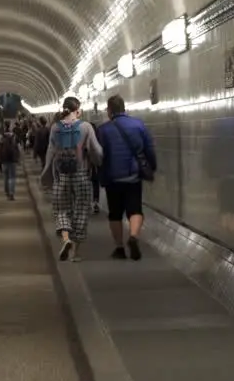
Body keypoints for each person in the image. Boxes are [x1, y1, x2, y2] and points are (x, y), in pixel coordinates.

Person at [95, 94, 157, 260]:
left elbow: (98, 155)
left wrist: (98, 173)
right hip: (133, 175)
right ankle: (134, 236)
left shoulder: (103, 130)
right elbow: (148, 149)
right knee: (135, 209)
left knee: (115, 213)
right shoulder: (138, 125)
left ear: (109, 111)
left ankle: (120, 248)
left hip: (112, 177)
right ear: (124, 108)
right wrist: (151, 167)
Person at [40, 98, 103, 261]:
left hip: (61, 176)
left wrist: (46, 174)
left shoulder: (55, 128)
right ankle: (76, 253)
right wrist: (98, 162)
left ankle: (66, 239)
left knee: (61, 210)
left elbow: (50, 151)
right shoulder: (86, 127)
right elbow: (95, 151)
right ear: (78, 110)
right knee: (81, 211)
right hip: (81, 175)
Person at [0, 123, 20, 200]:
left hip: (4, 159)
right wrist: (18, 158)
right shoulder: (14, 136)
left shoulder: (1, 137)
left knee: (6, 177)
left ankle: (7, 192)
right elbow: (17, 147)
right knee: (12, 177)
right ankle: (11, 193)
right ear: (10, 127)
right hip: (13, 159)